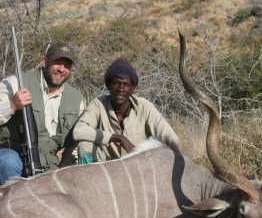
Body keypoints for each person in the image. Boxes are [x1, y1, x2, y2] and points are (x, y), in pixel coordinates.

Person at [0, 40, 84, 185]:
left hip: (49, 165)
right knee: (8, 161)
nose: (61, 69)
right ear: (45, 61)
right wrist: (12, 105)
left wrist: (63, 167)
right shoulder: (14, 83)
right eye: (57, 62)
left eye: (67, 65)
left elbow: (77, 141)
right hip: (14, 155)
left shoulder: (77, 100)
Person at [73, 57, 180, 164]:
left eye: (126, 84)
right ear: (108, 86)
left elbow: (172, 140)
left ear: (133, 89)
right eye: (116, 83)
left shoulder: (144, 107)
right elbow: (78, 131)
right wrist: (119, 138)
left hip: (138, 167)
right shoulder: (98, 104)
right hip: (105, 170)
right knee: (85, 144)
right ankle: (91, 180)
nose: (120, 88)